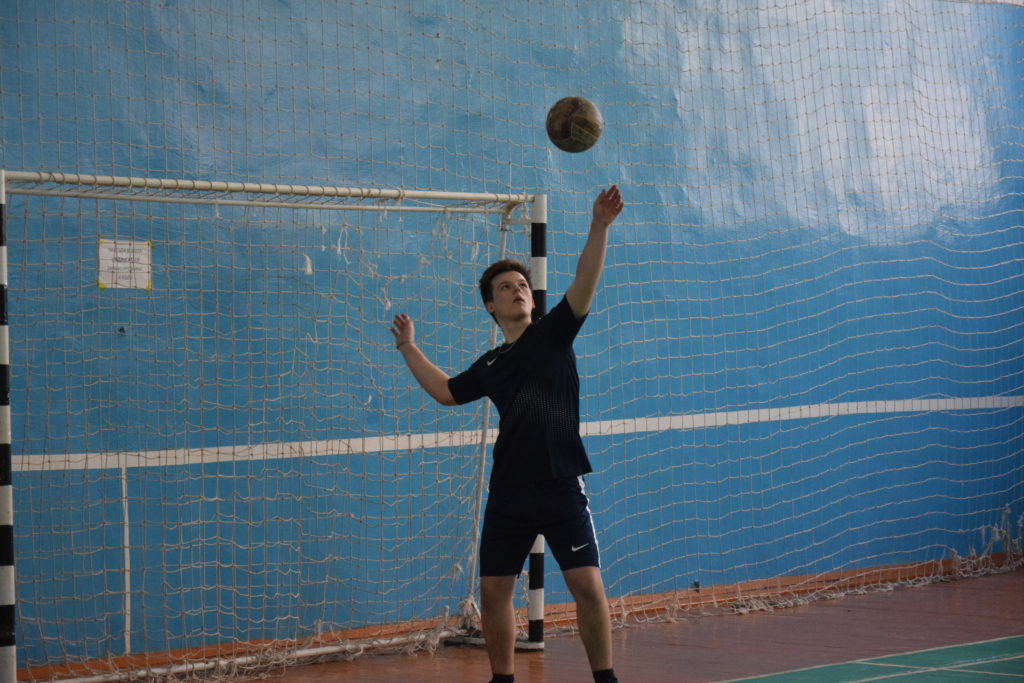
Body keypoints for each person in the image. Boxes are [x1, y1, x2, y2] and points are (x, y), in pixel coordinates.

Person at [389, 185, 624, 683]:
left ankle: (605, 679)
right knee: (495, 593)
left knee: (587, 585)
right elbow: (447, 392)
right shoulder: (491, 365)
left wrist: (599, 225)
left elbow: (585, 278)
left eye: (521, 284)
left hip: (561, 484)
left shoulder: (554, 334)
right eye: (504, 287)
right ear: (491, 307)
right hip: (510, 493)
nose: (517, 289)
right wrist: (409, 347)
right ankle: (503, 680)